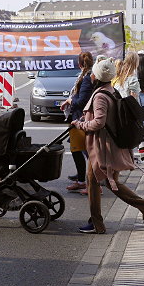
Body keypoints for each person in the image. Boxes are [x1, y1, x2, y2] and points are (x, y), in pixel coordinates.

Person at [71, 59, 144, 234]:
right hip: (112, 145)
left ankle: (98, 223)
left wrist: (81, 125)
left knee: (94, 181)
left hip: (103, 148)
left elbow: (99, 123)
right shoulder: (112, 90)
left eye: (93, 73)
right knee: (110, 183)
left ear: (96, 77)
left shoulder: (100, 95)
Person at [60, 52, 95, 193]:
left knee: (84, 151)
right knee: (78, 149)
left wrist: (70, 101)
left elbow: (82, 101)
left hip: (80, 119)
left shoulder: (87, 78)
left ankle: (91, 183)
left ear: (80, 64)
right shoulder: (88, 76)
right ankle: (83, 179)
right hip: (78, 119)